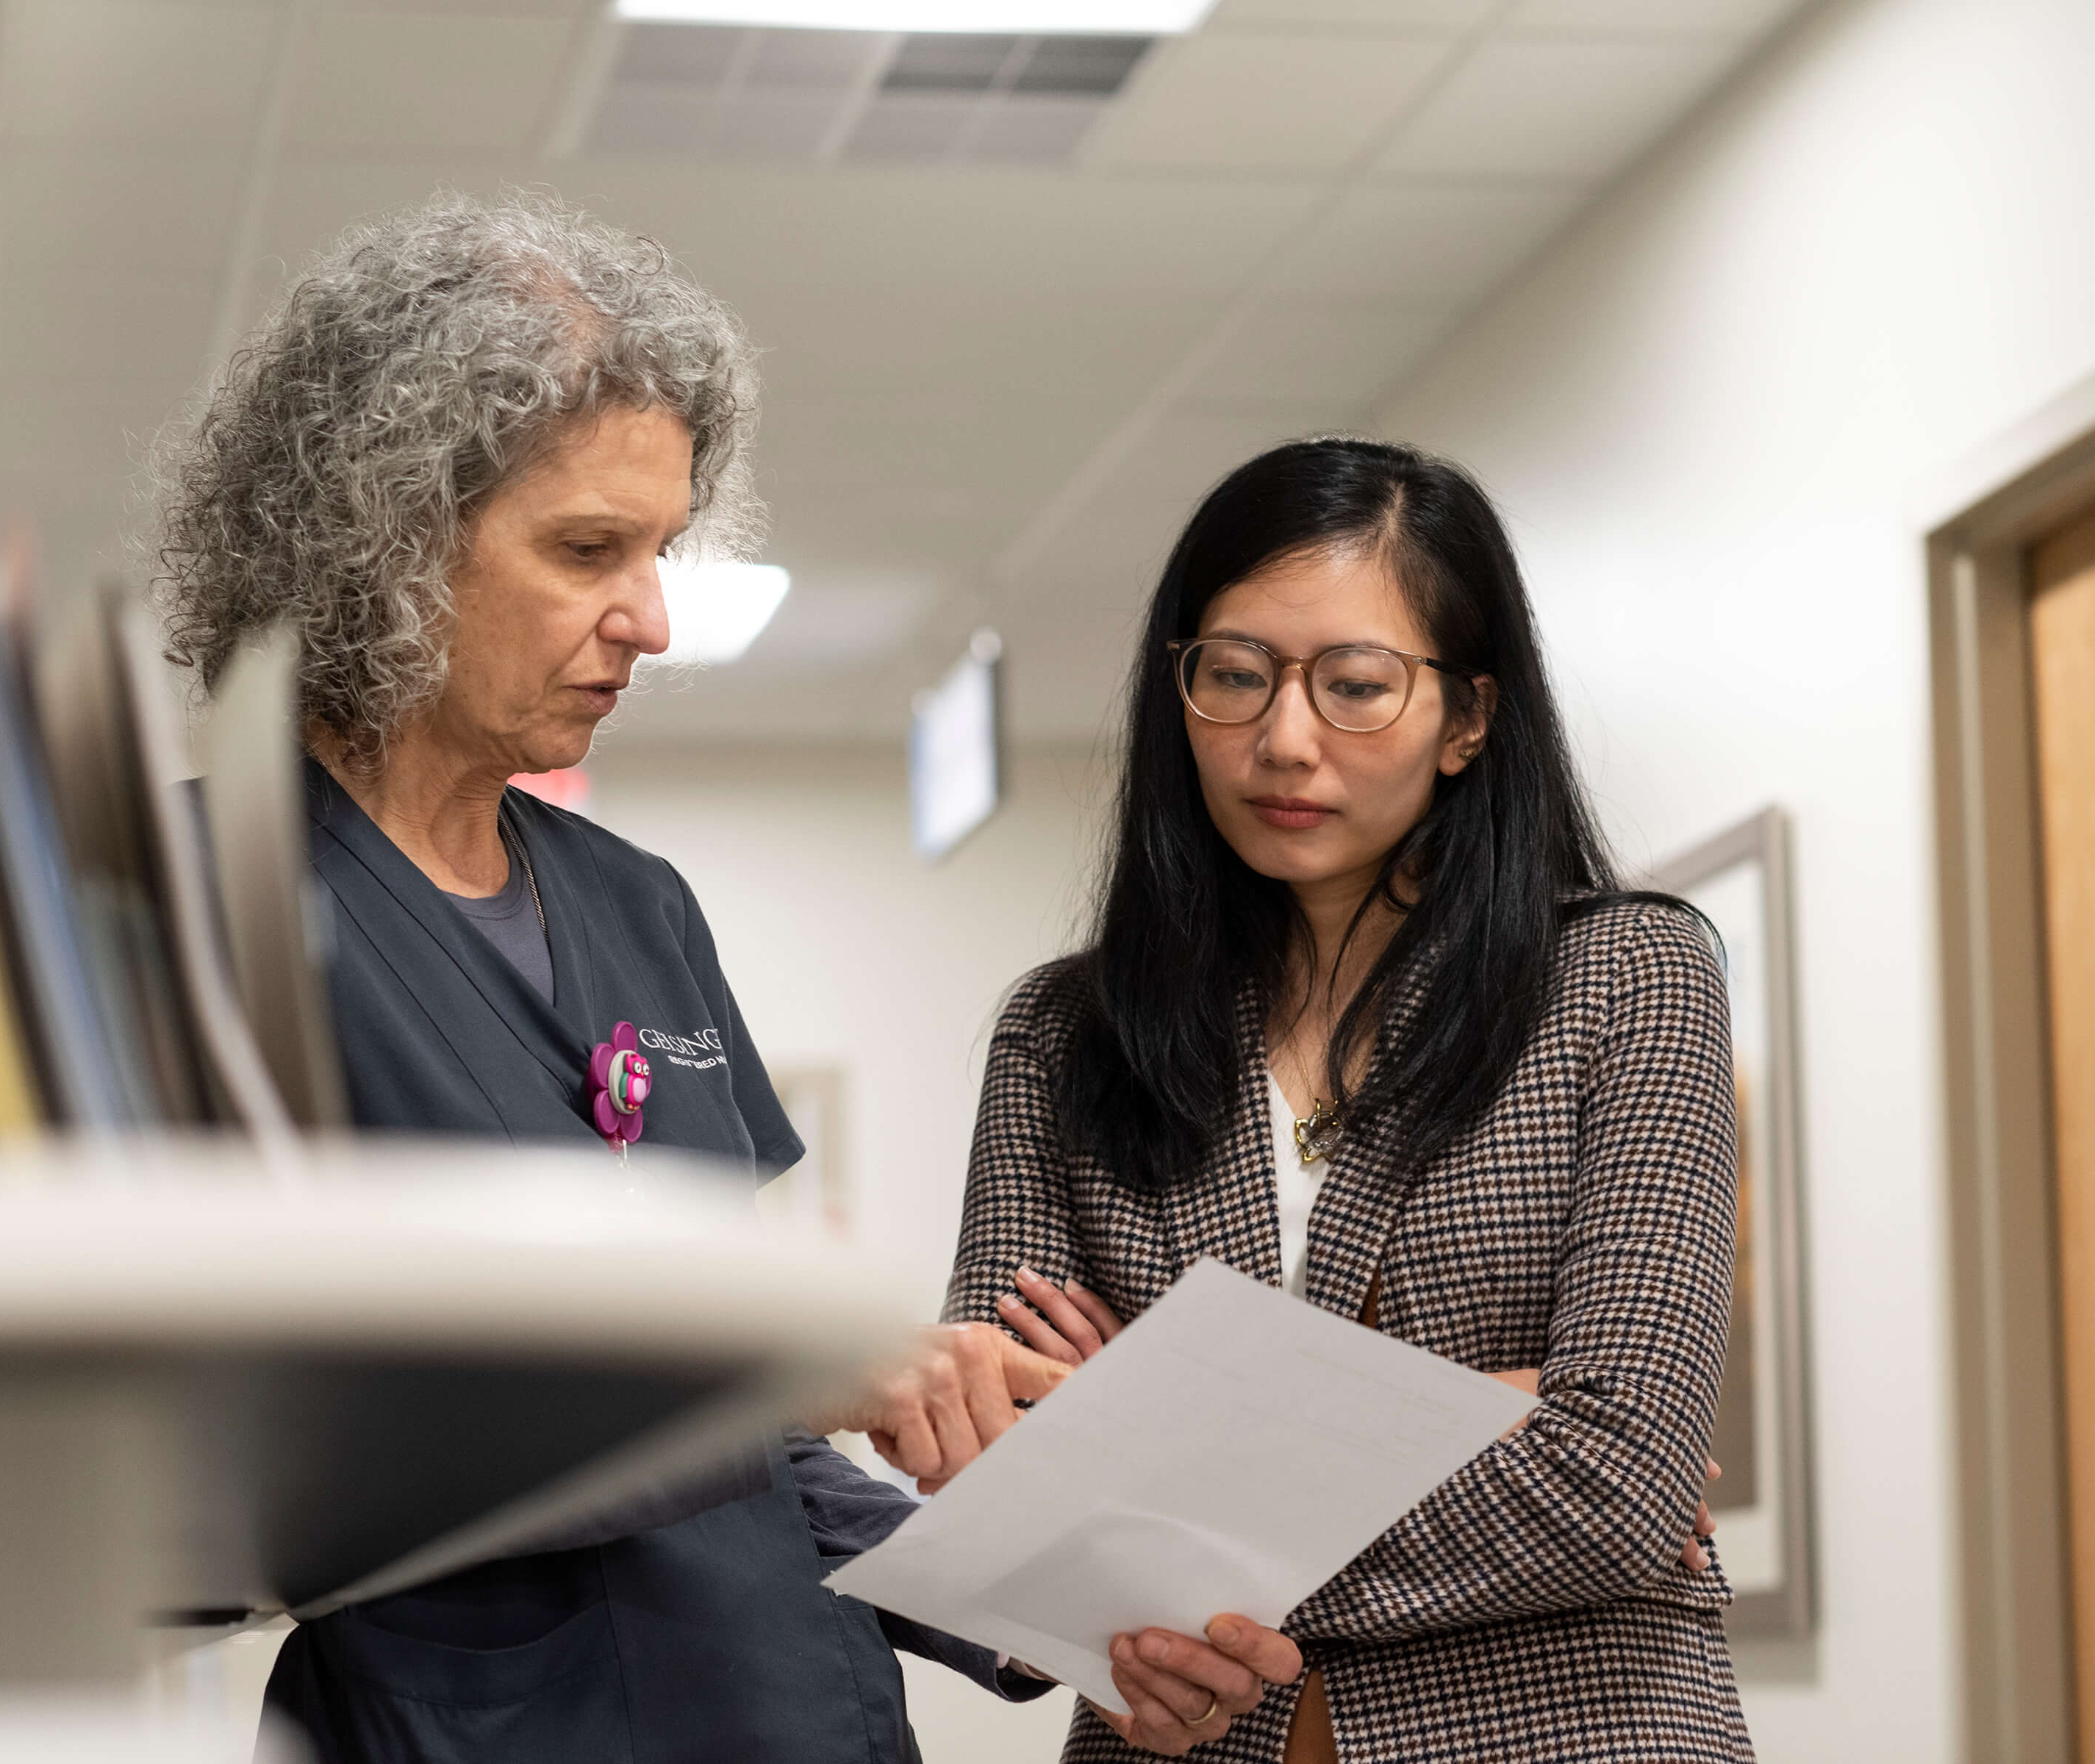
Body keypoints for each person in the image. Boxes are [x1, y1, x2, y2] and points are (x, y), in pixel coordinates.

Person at [150, 190, 1298, 1763]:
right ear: (381, 539)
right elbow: (241, 1464)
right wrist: (775, 1375)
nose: (650, 617)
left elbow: (754, 1453)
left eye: (663, 550)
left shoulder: (636, 908)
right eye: (587, 551)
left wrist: (1056, 1616)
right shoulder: (182, 911)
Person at [942, 437, 1753, 1762]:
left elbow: (1618, 1479)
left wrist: (1146, 1455)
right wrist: (1477, 1408)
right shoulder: (1063, 1034)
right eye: (1234, 676)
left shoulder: (1625, 977)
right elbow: (999, 1487)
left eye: (1357, 687)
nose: (1283, 740)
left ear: (1469, 719)